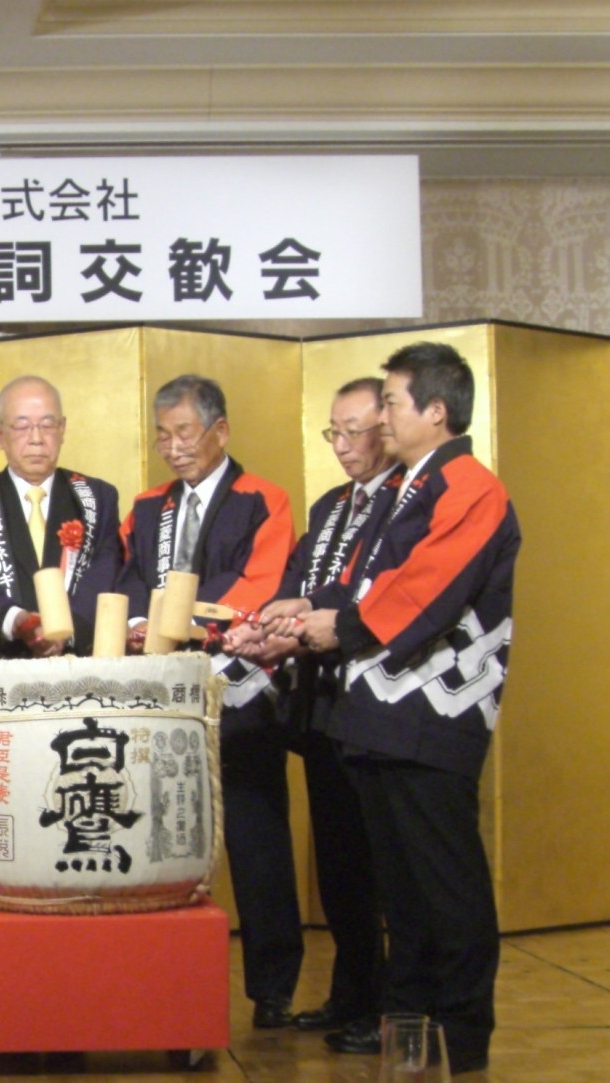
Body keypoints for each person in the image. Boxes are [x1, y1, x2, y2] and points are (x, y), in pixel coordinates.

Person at [266, 343, 516, 1074]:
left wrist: (334, 625)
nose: (382, 415)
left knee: (446, 884)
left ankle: (462, 1035)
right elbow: (363, 583)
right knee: (399, 894)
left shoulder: (469, 484)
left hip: (433, 714)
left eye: (392, 402)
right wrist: (305, 611)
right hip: (374, 715)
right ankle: (406, 1030)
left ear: (435, 411)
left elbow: (425, 588)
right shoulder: (406, 485)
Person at [114, 374, 301, 1029]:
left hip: (239, 689)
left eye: (184, 432)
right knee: (156, 836)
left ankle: (272, 986)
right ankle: (154, 976)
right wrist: (143, 623)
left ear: (219, 430)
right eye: (162, 434)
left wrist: (178, 619)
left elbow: (259, 582)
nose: (172, 447)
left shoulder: (262, 498)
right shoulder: (145, 505)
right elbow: (125, 578)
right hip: (160, 693)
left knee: (255, 837)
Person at [224, 377, 395, 1038]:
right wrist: (266, 627)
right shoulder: (329, 506)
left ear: (388, 427)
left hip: (376, 703)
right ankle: (350, 996)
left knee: (376, 860)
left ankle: (384, 1006)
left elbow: (378, 596)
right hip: (320, 705)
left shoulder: (402, 505)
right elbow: (293, 588)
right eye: (335, 431)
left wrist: (310, 611)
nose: (344, 445)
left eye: (357, 431)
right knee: (339, 860)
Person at [0, 375, 121, 657]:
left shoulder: (97, 497)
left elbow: (105, 573)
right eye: (22, 426)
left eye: (47, 425)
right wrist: (19, 622)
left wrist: (66, 630)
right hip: (3, 660)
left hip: (78, 662)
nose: (36, 438)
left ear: (62, 429)